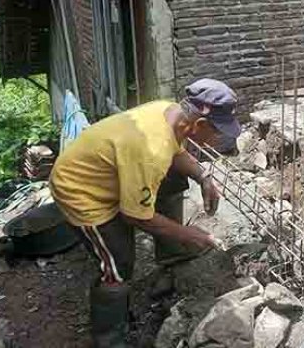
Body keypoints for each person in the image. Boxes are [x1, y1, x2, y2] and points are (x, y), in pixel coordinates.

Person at [50, 78, 241, 348]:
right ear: (198, 125)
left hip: (112, 174)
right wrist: (189, 234)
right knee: (118, 265)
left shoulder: (170, 113)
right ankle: (108, 339)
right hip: (81, 191)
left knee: (173, 177)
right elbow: (136, 216)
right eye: (218, 131)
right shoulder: (151, 150)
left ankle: (172, 255)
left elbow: (174, 154)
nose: (219, 138)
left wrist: (204, 176)